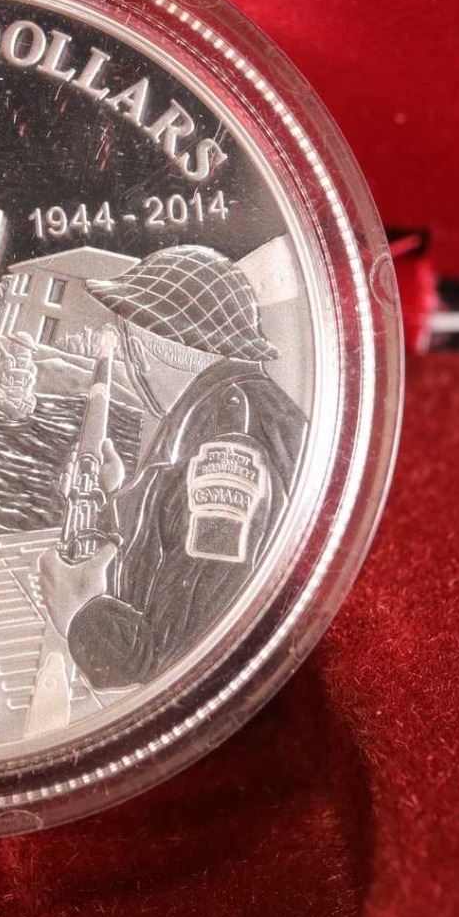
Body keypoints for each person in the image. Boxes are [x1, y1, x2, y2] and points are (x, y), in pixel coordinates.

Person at [37, 245, 307, 691]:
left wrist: (78, 614)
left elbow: (185, 653)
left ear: (144, 349)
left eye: (128, 346)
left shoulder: (227, 455)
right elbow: (183, 533)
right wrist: (116, 495)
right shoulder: (241, 413)